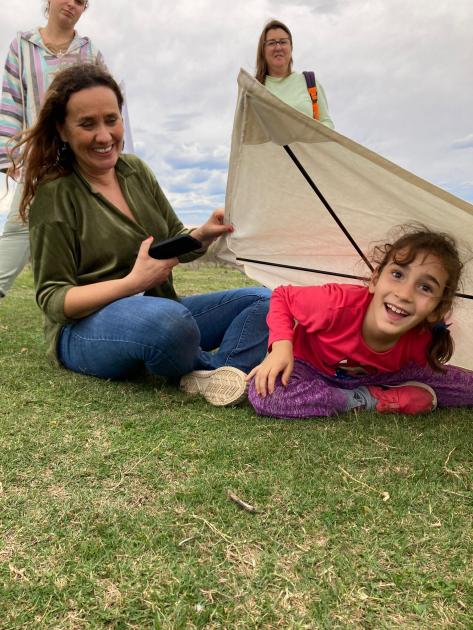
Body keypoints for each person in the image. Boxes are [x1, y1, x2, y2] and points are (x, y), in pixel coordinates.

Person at [10, 63, 270, 406]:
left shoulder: (135, 171)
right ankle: (208, 367)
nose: (104, 136)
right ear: (62, 130)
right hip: (83, 329)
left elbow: (173, 241)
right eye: (87, 124)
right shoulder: (55, 194)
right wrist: (133, 283)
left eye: (111, 120)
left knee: (266, 300)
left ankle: (217, 374)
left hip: (159, 308)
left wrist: (203, 233)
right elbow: (54, 299)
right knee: (169, 325)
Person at [247, 226, 473, 418]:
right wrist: (281, 346)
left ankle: (372, 391)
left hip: (386, 374)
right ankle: (368, 398)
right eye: (397, 275)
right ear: (375, 280)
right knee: (263, 391)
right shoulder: (334, 304)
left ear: (437, 310)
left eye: (425, 288)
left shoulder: (422, 338)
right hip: (310, 369)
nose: (404, 294)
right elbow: (282, 297)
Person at [0, 0, 104, 298]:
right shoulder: (22, 45)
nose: (72, 3)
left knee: (88, 243)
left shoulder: (90, 52)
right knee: (17, 232)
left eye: (81, 1)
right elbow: (10, 101)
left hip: (82, 167)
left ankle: (94, 322)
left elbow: (107, 102)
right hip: (38, 162)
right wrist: (11, 159)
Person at [255, 19, 334, 129]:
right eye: (272, 43)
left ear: (291, 47)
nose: (278, 47)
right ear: (263, 50)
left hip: (307, 146)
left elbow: (327, 123)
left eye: (283, 42)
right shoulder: (253, 88)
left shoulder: (309, 83)